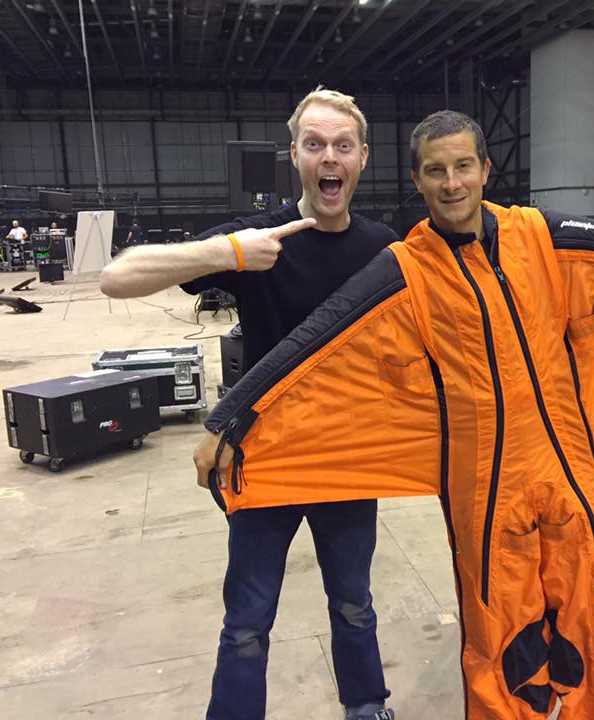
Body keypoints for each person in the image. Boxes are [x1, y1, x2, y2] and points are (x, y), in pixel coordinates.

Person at [194, 111, 594, 720]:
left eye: (463, 166)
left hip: (567, 464)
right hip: (484, 486)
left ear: (485, 170)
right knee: (499, 632)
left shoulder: (540, 234)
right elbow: (320, 340)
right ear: (418, 180)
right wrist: (232, 417)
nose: (451, 183)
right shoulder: (406, 266)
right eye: (436, 171)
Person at [100, 88, 398, 720]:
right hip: (263, 458)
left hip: (347, 462)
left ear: (362, 157)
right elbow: (116, 277)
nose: (329, 157)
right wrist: (228, 253)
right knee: (247, 620)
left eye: (342, 146)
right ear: (295, 155)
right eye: (315, 144)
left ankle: (366, 708)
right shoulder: (256, 240)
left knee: (353, 604)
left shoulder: (383, 247)